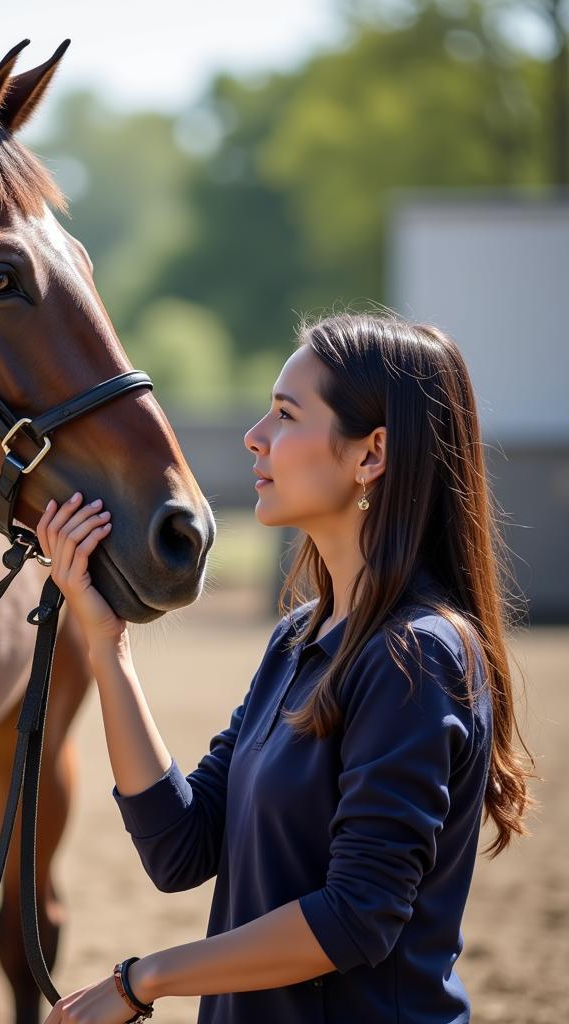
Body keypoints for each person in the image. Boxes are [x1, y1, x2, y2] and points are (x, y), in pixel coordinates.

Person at [35, 312, 535, 1023]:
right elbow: (180, 845)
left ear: (371, 455)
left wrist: (139, 982)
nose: (255, 436)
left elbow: (357, 915)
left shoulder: (417, 657)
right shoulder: (301, 638)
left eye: (285, 414)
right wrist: (106, 645)